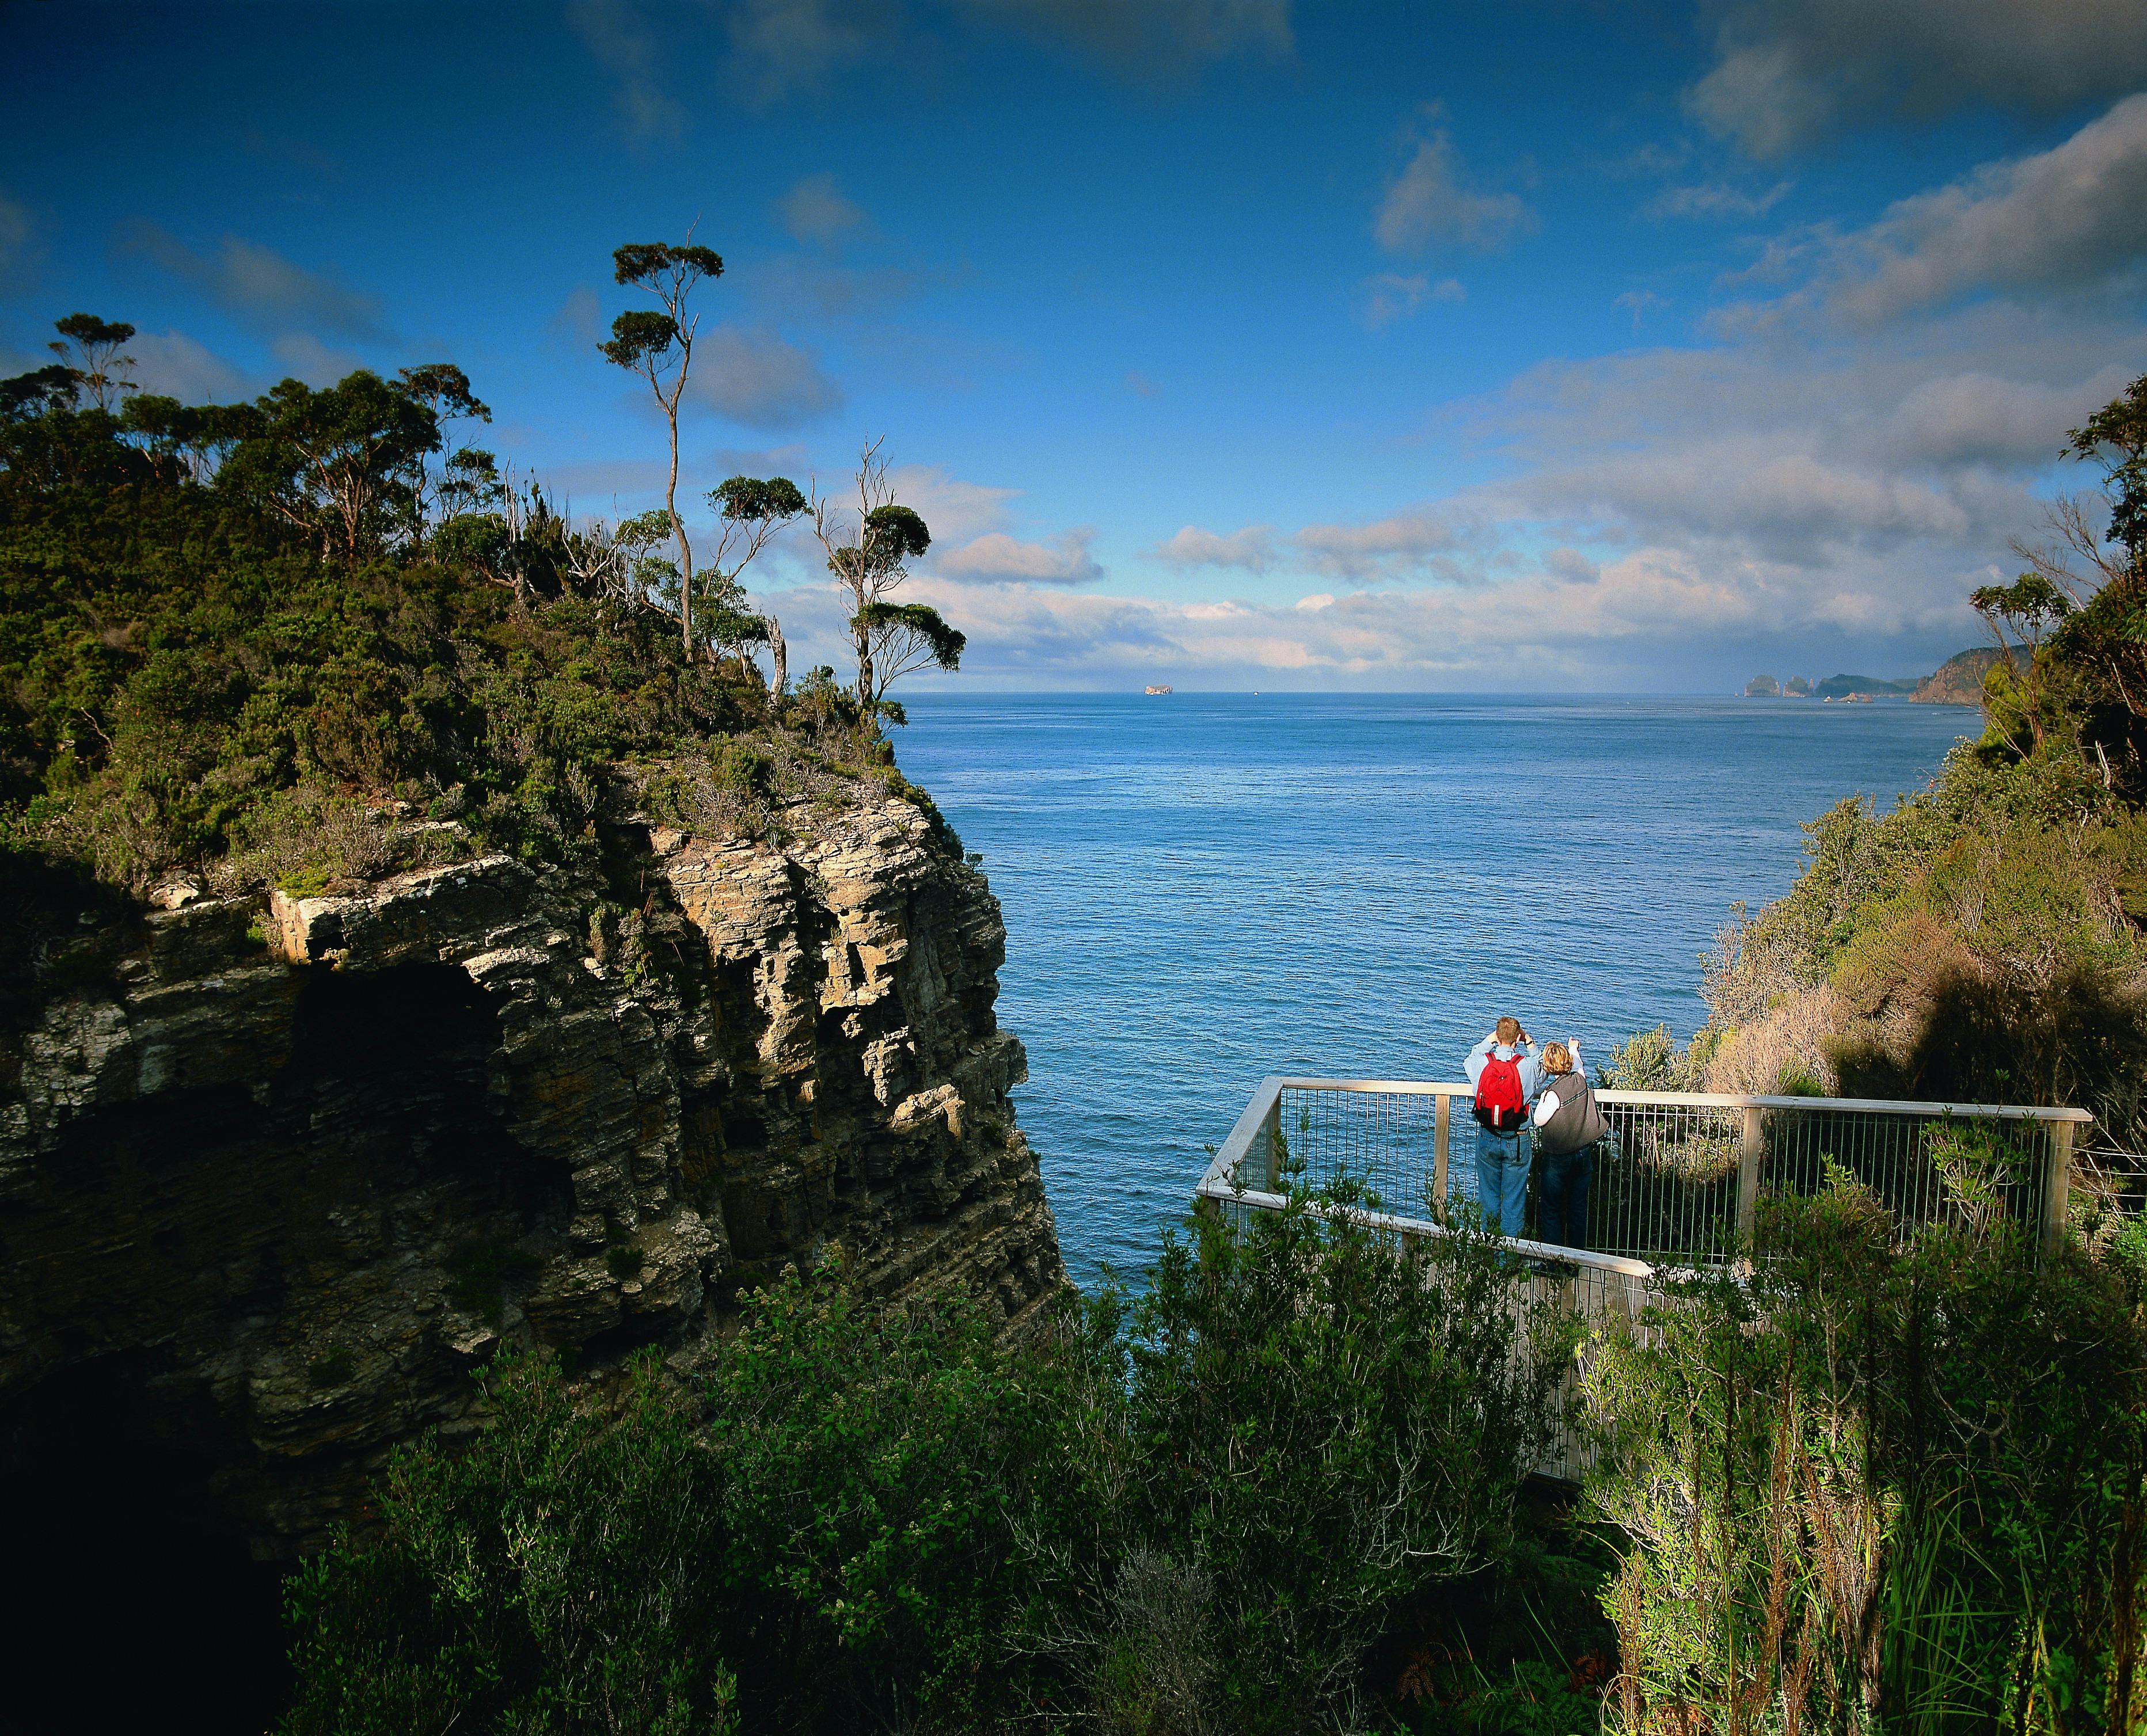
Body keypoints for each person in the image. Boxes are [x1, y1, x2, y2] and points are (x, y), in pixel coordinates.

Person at [1464, 1017, 1544, 1236]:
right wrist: (1529, 1042)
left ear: (1497, 1037)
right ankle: (1508, 1253)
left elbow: (1470, 1059)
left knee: (1488, 1198)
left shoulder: (1484, 1062)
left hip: (1488, 1136)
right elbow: (1543, 1067)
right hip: (1517, 1139)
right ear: (1517, 1038)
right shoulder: (1526, 1066)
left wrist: (1490, 1040)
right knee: (1514, 1200)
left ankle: (1487, 1249)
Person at [1532, 1040, 1606, 1250]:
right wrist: (1573, 1048)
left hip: (1558, 1159)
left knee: (1551, 1210)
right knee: (1578, 1209)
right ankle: (1577, 1258)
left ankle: (1553, 1260)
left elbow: (1538, 1119)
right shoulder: (1580, 1079)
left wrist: (1543, 1097)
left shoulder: (1553, 1094)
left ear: (1548, 1067)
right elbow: (1579, 1064)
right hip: (1582, 1154)